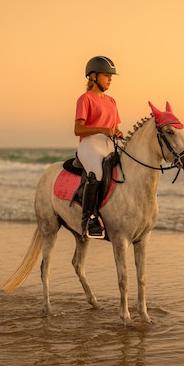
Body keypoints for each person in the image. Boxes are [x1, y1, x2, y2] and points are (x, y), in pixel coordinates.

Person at [74, 56, 124, 239]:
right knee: (97, 172)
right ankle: (88, 219)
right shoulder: (85, 99)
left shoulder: (111, 101)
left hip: (108, 143)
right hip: (89, 143)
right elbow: (77, 129)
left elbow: (115, 127)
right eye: (106, 75)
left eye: (111, 76)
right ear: (93, 76)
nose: (110, 79)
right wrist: (102, 129)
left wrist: (118, 132)